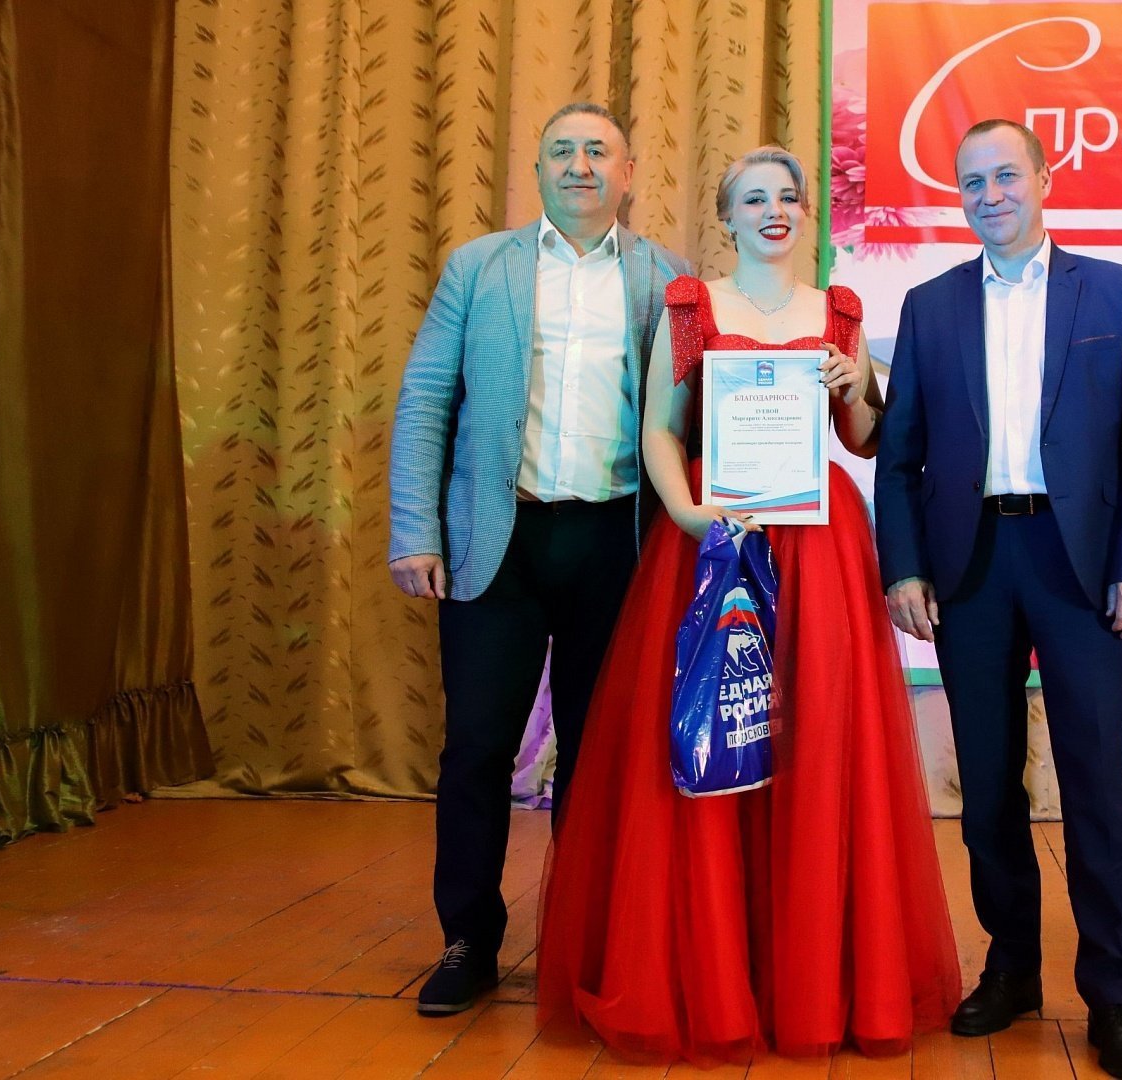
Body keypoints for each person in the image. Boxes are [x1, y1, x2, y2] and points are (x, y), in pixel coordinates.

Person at [536, 146, 960, 1064]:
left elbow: (865, 438)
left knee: (813, 742)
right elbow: (660, 429)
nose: (774, 210)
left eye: (789, 197)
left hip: (819, 548)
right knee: (710, 732)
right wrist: (690, 514)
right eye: (754, 198)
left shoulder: (840, 311)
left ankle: (808, 983)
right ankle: (715, 978)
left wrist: (859, 392)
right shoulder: (693, 306)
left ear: (806, 214)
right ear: (727, 217)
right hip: (714, 537)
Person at [875, 119, 1122, 1080]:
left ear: (1046, 179)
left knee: (1096, 786)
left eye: (1008, 175)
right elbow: (900, 455)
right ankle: (1010, 970)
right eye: (973, 181)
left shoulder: (1116, 291)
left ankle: (1114, 998)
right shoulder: (929, 305)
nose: (991, 194)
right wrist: (902, 568)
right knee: (987, 787)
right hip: (969, 566)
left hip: (1081, 567)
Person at [387, 102, 690, 1016]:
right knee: (477, 748)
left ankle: (580, 938)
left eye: (598, 150)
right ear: (540, 170)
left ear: (628, 173)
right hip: (497, 543)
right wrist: (415, 529)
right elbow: (426, 399)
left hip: (615, 547)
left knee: (598, 757)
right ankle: (468, 940)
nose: (580, 164)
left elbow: (693, 417)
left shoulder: (668, 280)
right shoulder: (480, 268)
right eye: (562, 150)